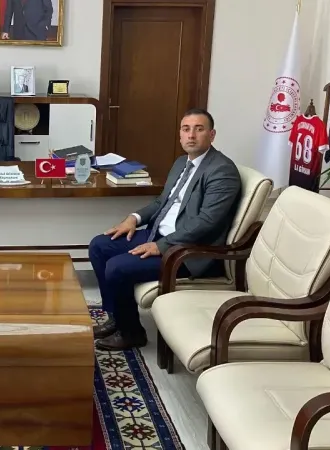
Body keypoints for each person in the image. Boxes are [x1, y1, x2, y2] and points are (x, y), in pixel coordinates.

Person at [88, 109, 241, 350]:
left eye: (199, 129)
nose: (191, 135)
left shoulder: (222, 171)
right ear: (180, 134)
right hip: (159, 234)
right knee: (100, 245)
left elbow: (207, 221)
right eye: (186, 129)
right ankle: (117, 318)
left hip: (189, 251)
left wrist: (161, 246)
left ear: (212, 135)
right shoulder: (181, 162)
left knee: (117, 267)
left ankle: (132, 334)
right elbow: (162, 201)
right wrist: (133, 218)